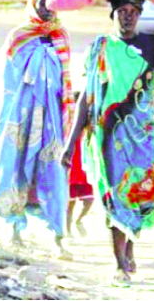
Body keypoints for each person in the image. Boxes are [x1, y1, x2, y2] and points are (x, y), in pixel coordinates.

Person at [61, 0, 154, 284]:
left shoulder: (153, 45)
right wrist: (71, 142)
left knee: (142, 193)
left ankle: (128, 247)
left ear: (139, 15)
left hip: (143, 136)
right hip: (108, 138)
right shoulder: (100, 48)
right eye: (122, 10)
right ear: (112, 14)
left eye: (134, 11)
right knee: (116, 198)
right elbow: (86, 99)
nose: (128, 16)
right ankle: (119, 265)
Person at [0, 0, 74, 260]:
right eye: (41, 0)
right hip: (22, 116)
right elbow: (8, 82)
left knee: (54, 173)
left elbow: (66, 81)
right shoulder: (19, 37)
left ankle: (58, 237)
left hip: (52, 118)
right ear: (32, 2)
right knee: (15, 167)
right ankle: (13, 230)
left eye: (51, 1)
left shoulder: (61, 36)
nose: (46, 6)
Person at [66, 91, 94, 238]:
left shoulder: (89, 127)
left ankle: (79, 220)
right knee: (70, 204)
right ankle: (68, 229)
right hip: (73, 171)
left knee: (89, 200)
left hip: (84, 171)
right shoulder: (70, 128)